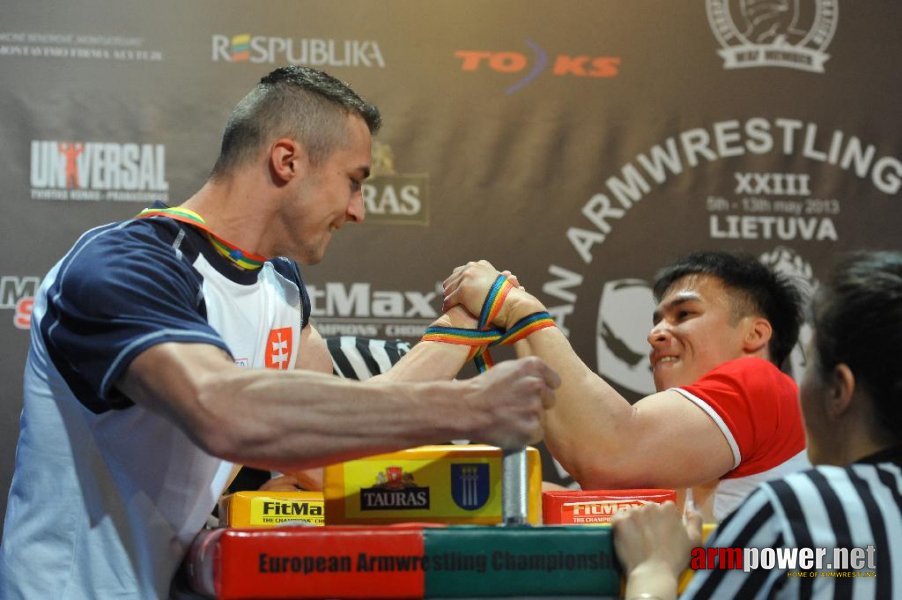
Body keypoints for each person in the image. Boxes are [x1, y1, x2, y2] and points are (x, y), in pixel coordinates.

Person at [0, 66, 560, 599]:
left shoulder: (280, 287)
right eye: (354, 181)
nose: (358, 210)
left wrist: (461, 325)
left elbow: (328, 449)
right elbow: (222, 410)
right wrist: (464, 408)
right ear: (287, 160)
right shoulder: (123, 265)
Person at [613, 250, 902, 599]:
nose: (656, 334)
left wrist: (653, 570)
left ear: (839, 389)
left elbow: (610, 446)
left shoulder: (794, 509)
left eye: (808, 365)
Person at [441, 251, 809, 521]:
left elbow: (608, 453)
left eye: (685, 315)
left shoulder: (763, 384)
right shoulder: (684, 453)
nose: (655, 334)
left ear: (755, 333)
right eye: (656, 320)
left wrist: (514, 307)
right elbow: (585, 509)